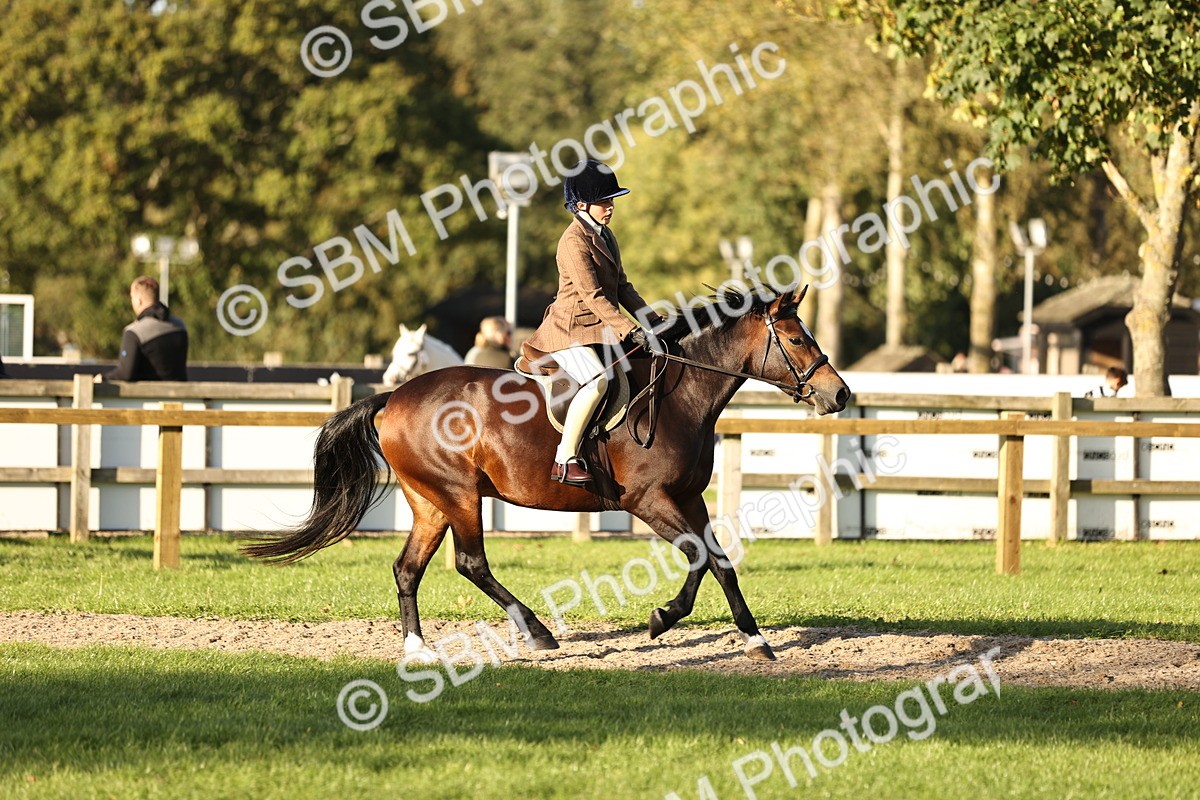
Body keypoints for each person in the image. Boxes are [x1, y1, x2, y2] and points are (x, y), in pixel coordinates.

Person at [524, 160, 661, 486]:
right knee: (597, 381)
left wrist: (652, 319)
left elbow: (622, 287)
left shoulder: (605, 235)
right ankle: (565, 458)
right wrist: (630, 329)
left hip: (597, 329)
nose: (610, 207)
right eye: (604, 201)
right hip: (569, 331)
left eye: (612, 200)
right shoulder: (573, 241)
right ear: (581, 205)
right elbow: (592, 295)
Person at [97, 276, 188, 382]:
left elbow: (125, 374)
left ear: (139, 300)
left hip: (148, 396)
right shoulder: (180, 325)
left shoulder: (134, 332)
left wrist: (104, 378)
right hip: (181, 396)